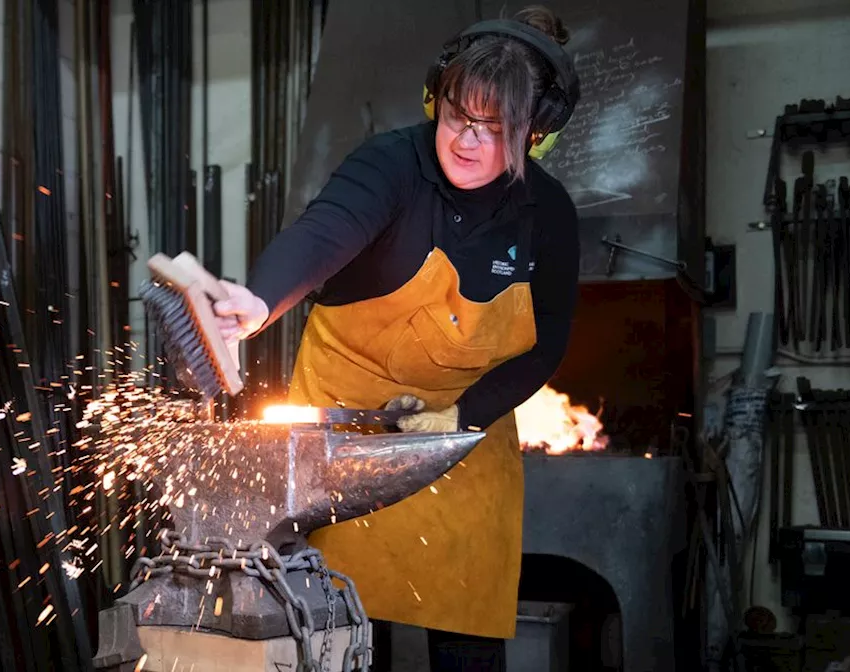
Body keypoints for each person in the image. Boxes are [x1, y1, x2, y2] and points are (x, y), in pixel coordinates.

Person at [212, 6, 581, 672]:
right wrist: (256, 301)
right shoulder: (390, 165)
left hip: (466, 434)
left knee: (468, 644)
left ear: (534, 137)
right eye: (457, 117)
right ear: (433, 100)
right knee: (344, 634)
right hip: (345, 434)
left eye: (493, 129)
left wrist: (459, 415)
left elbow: (546, 342)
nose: (466, 142)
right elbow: (321, 234)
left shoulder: (548, 214)